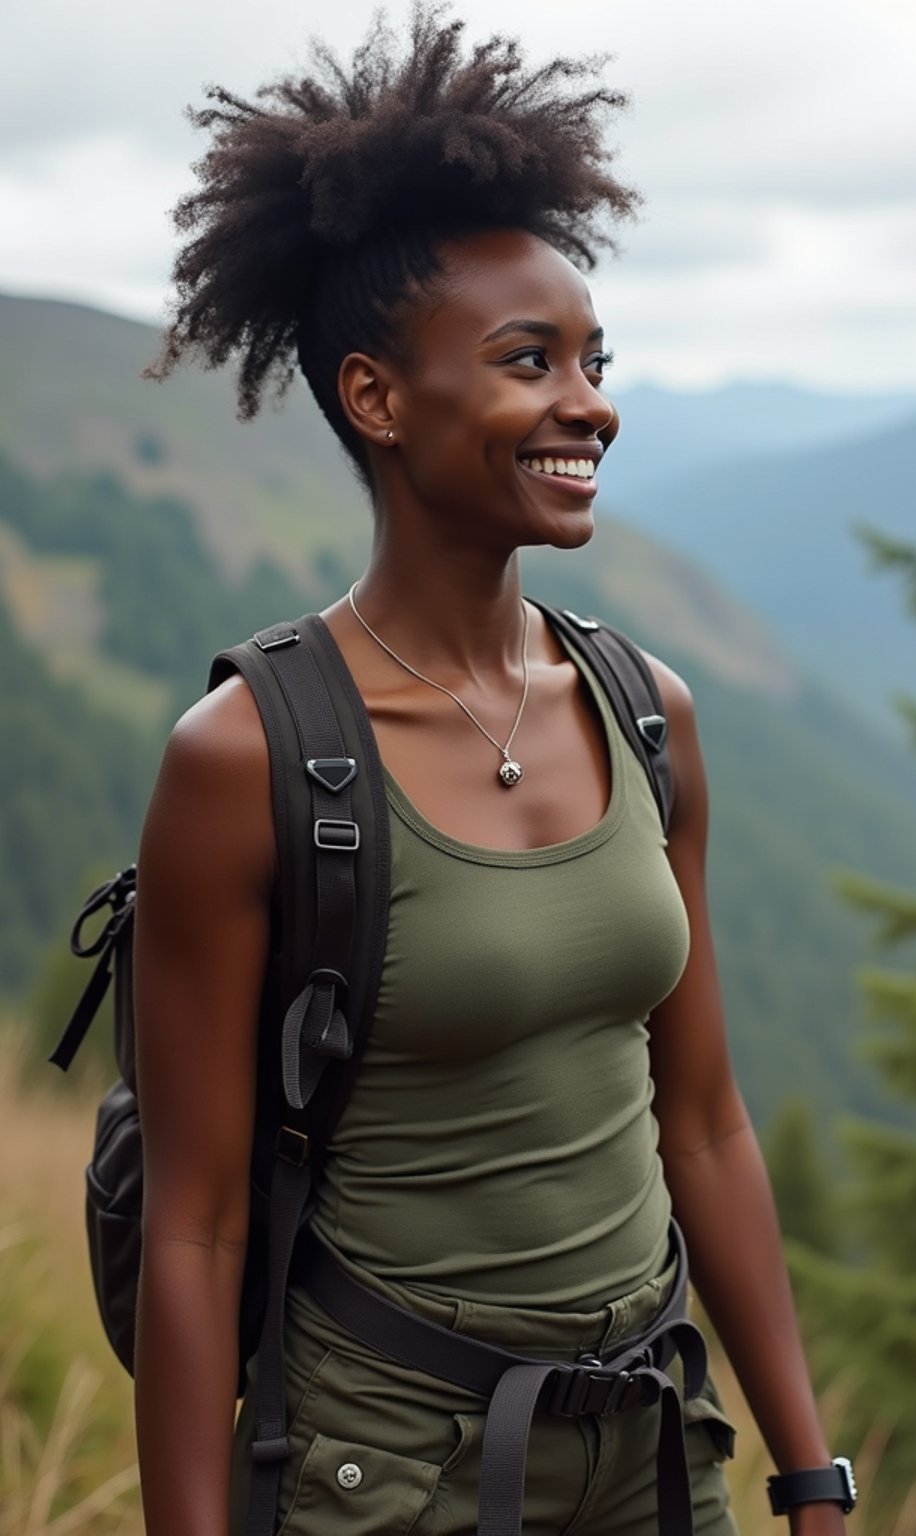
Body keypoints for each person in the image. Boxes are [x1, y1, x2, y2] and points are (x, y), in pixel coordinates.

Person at [133, 7, 851, 1535]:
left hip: (658, 1450)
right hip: (385, 1474)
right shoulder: (247, 759)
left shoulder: (646, 711)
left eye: (595, 359)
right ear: (379, 399)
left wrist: (808, 1469)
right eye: (531, 362)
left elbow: (704, 1120)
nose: (589, 401)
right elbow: (189, 1234)